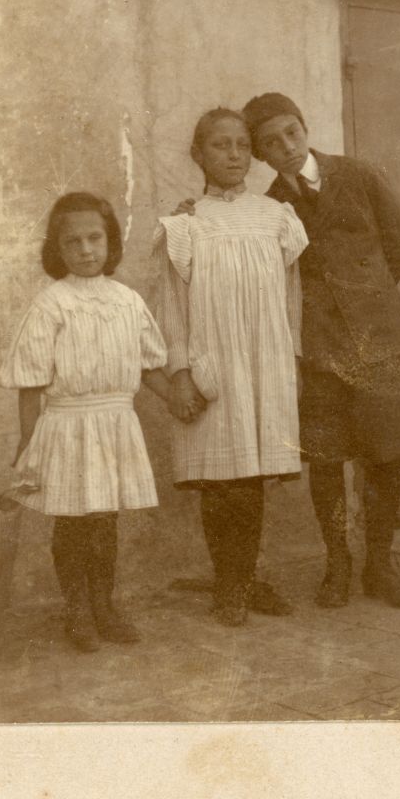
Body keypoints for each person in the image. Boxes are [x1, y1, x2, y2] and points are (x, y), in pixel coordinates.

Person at [242, 92, 400, 611]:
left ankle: (380, 565)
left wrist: (368, 296)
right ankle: (338, 563)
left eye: (292, 132)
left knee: (385, 455)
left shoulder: (358, 175)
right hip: (318, 348)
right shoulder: (270, 206)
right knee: (326, 460)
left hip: (374, 341)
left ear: (305, 128)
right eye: (271, 143)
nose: (286, 146)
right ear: (260, 155)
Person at [0, 192, 178, 652]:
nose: (85, 250)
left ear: (110, 242)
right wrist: (27, 441)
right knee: (73, 523)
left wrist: (178, 398)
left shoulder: (127, 301)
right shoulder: (52, 304)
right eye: (72, 242)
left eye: (94, 238)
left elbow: (149, 365)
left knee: (104, 522)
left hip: (115, 423)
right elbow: (31, 382)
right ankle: (77, 610)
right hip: (68, 427)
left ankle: (104, 605)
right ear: (57, 250)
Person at [155, 108, 308, 627]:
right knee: (222, 480)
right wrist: (180, 372)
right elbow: (172, 308)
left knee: (252, 477)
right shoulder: (185, 224)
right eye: (221, 145)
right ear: (198, 154)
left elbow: (291, 300)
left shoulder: (276, 217)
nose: (234, 155)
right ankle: (229, 583)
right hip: (213, 364)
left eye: (242, 145)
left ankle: (243, 579)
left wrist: (292, 362)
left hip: (265, 363)